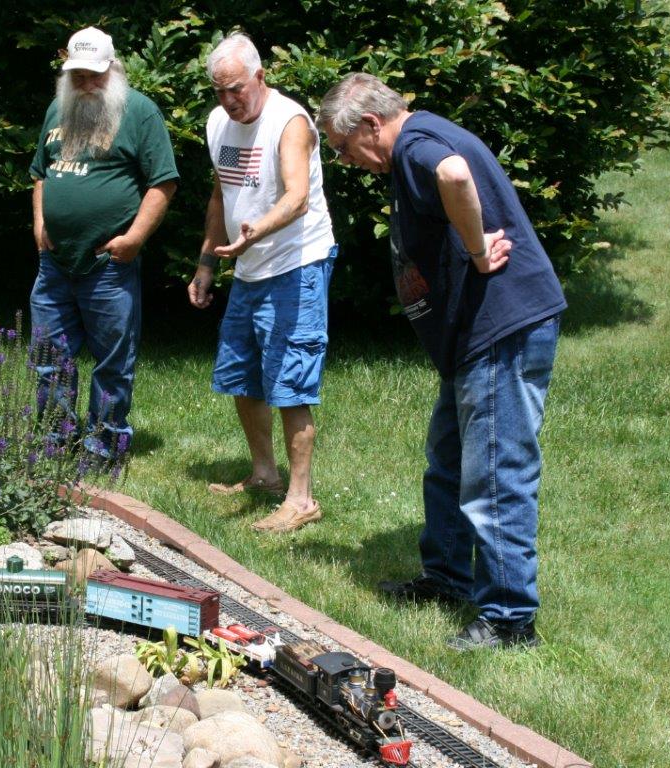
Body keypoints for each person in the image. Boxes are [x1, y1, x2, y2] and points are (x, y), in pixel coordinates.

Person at [316, 73, 567, 649]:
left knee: (497, 472)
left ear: (371, 124)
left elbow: (453, 174)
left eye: (343, 146)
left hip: (501, 327)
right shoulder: (419, 138)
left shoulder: (413, 145)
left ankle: (510, 618)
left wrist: (477, 252)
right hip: (474, 336)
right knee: (450, 461)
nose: (345, 160)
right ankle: (448, 577)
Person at [188, 33, 337, 533]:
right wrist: (206, 263)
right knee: (242, 374)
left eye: (236, 89)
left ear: (260, 77)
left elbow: (297, 197)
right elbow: (220, 196)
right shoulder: (218, 123)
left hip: (297, 263)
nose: (229, 100)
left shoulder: (289, 121)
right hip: (248, 266)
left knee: (291, 382)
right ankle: (265, 475)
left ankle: (301, 499)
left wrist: (256, 231)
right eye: (219, 91)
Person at [29, 26, 178, 462]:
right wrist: (40, 223)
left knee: (113, 362)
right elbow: (41, 174)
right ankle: (56, 442)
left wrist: (134, 238)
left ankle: (104, 445)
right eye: (78, 76)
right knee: (48, 356)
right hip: (55, 262)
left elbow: (163, 182)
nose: (87, 84)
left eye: (95, 75)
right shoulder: (58, 109)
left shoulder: (140, 113)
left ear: (114, 69)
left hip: (108, 264)